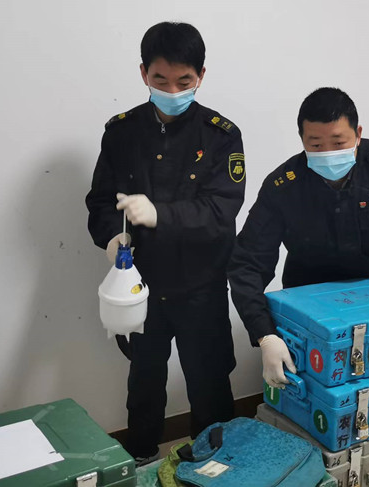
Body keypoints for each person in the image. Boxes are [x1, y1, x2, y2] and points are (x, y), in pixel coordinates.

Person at [85, 22, 245, 465]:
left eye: (184, 81)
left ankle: (214, 464)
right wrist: (111, 236)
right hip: (142, 284)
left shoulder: (221, 135)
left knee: (209, 382)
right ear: (143, 73)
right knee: (143, 381)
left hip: (201, 285)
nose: (172, 90)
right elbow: (100, 201)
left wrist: (161, 214)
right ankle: (139, 457)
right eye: (161, 80)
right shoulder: (121, 132)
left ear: (201, 76)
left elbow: (222, 210)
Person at [228, 87, 369, 390]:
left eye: (338, 143)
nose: (328, 153)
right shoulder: (284, 186)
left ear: (358, 134)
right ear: (302, 140)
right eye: (316, 144)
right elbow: (248, 263)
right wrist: (265, 334)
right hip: (310, 311)